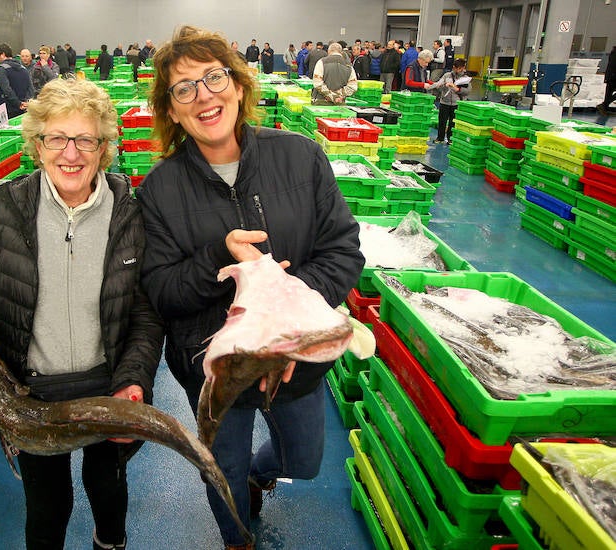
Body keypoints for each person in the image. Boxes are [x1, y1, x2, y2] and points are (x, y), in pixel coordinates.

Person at [0, 76, 163, 550]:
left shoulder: (131, 215)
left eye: (86, 139)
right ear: (37, 144)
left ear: (105, 146)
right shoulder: (4, 207)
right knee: (46, 504)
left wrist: (135, 379)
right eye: (57, 138)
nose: (71, 153)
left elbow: (145, 314)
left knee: (108, 488)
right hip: (31, 395)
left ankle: (110, 543)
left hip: (109, 386)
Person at [138, 25, 364, 550]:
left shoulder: (302, 158)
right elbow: (164, 291)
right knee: (222, 470)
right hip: (214, 371)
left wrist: (281, 319)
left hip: (297, 361)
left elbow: (343, 252)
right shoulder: (160, 190)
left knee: (303, 461)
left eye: (214, 77)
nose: (204, 95)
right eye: (184, 88)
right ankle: (235, 537)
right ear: (172, 111)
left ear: (238, 86)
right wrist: (219, 254)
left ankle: (267, 474)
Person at [427, 58, 469, 144]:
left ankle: (450, 139)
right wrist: (438, 86)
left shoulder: (466, 78)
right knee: (442, 121)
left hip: (456, 103)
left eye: (460, 68)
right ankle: (440, 138)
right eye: (456, 68)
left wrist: (457, 89)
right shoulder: (447, 75)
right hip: (444, 102)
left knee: (453, 122)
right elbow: (438, 84)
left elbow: (467, 91)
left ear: (463, 68)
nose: (457, 70)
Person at [0, 43, 33, 118]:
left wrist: (17, 103)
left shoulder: (2, 69)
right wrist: (26, 102)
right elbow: (30, 87)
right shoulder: (23, 68)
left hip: (8, 108)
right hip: (23, 107)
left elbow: (6, 89)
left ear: (2, 54)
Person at [598, 46, 616, 116]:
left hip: (610, 76)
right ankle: (604, 105)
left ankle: (605, 108)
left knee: (608, 93)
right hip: (613, 77)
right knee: (609, 93)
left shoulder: (613, 52)